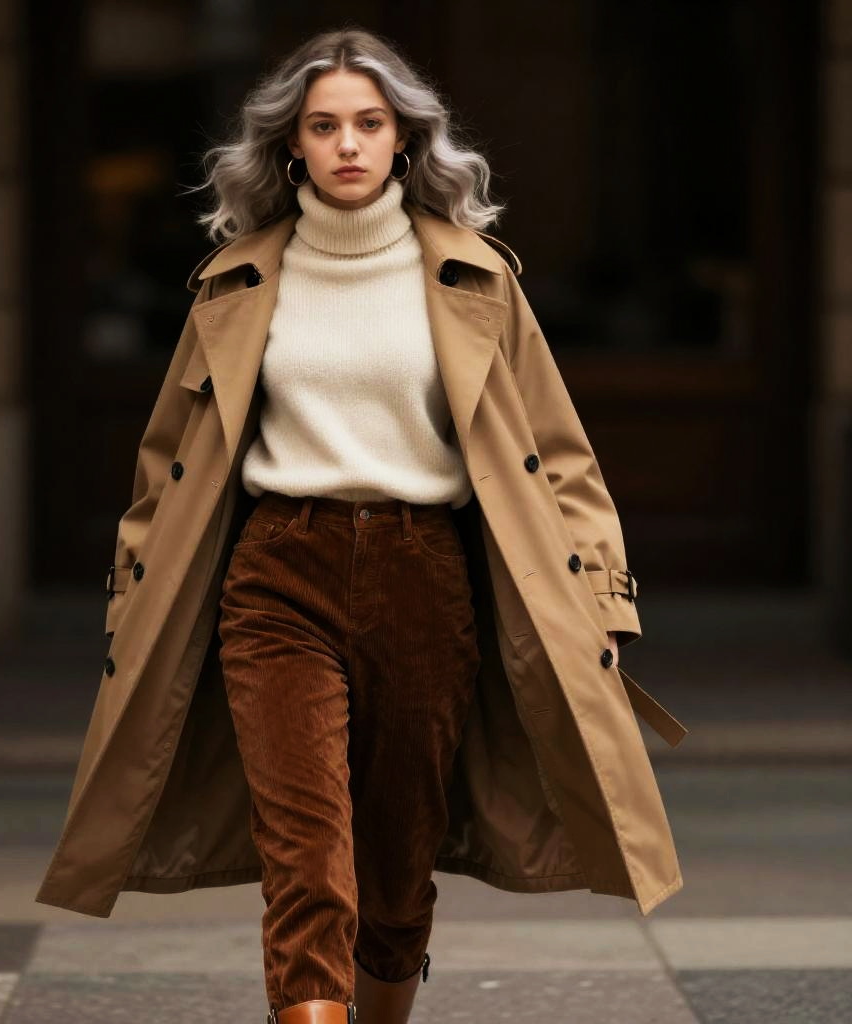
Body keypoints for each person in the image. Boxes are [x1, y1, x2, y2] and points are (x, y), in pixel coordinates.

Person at [186, 25, 613, 1024]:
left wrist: (601, 594)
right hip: (276, 570)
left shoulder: (471, 277)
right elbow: (171, 457)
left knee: (394, 867)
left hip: (423, 576)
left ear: (404, 140)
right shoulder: (240, 280)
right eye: (324, 125)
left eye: (368, 124)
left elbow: (557, 449)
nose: (346, 144)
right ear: (290, 144)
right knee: (306, 860)